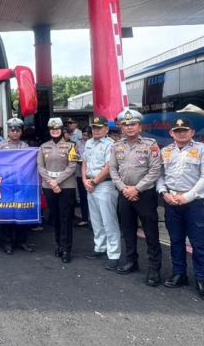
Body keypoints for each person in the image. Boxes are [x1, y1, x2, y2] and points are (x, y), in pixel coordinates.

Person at [157, 118, 204, 301]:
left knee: (198, 243)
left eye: (185, 130)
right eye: (177, 130)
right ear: (171, 133)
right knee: (176, 240)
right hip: (172, 200)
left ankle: (201, 279)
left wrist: (187, 197)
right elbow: (160, 176)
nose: (181, 133)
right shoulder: (165, 151)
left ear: (192, 132)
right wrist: (164, 193)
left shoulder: (203, 150)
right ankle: (179, 274)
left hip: (195, 203)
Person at [109, 109, 163, 286]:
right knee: (128, 229)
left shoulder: (150, 144)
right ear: (122, 127)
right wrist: (124, 188)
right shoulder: (117, 146)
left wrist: (137, 189)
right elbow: (113, 170)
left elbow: (155, 170)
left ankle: (154, 269)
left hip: (145, 194)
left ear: (140, 126)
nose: (129, 127)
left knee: (150, 232)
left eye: (133, 124)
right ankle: (131, 261)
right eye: (125, 124)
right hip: (124, 193)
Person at [38, 117, 80, 263]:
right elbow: (40, 167)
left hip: (66, 186)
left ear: (62, 130)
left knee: (66, 218)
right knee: (55, 217)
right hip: (49, 187)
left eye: (57, 128)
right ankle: (59, 245)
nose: (55, 131)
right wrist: (51, 182)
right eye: (52, 129)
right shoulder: (43, 147)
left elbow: (72, 167)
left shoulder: (71, 146)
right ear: (49, 131)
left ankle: (67, 248)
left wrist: (57, 182)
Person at [81, 115, 121, 270]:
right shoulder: (89, 142)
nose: (96, 130)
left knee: (109, 221)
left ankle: (114, 254)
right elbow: (85, 162)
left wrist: (94, 182)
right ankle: (100, 248)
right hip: (90, 183)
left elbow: (108, 167)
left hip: (104, 185)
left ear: (106, 129)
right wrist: (85, 179)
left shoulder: (111, 144)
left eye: (99, 127)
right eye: (94, 128)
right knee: (96, 220)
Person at [0, 117, 34, 254]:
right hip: (6, 184)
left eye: (18, 130)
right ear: (8, 132)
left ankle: (22, 241)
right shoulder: (1, 146)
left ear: (21, 132)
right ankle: (7, 243)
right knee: (6, 213)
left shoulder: (25, 147)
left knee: (21, 212)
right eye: (12, 130)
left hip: (21, 184)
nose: (15, 133)